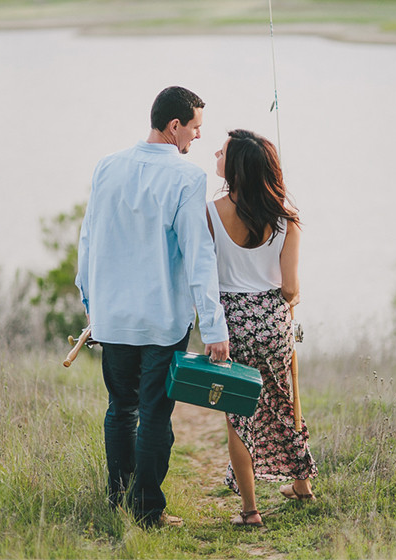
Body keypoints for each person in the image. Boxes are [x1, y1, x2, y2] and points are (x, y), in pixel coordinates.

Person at [76, 86, 230, 528]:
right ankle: (146, 512)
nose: (198, 137)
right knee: (155, 414)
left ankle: (118, 502)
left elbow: (89, 239)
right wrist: (214, 327)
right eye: (196, 127)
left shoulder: (107, 166)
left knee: (120, 409)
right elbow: (199, 256)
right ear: (174, 125)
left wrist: (91, 302)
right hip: (162, 320)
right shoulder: (186, 178)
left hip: (113, 316)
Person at [207, 129, 318, 528]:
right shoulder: (287, 218)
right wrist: (290, 300)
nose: (215, 154)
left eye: (222, 152)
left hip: (231, 322)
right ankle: (302, 484)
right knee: (286, 401)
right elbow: (290, 287)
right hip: (272, 321)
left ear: (235, 168)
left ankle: (250, 510)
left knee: (239, 414)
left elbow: (204, 274)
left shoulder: (210, 213)